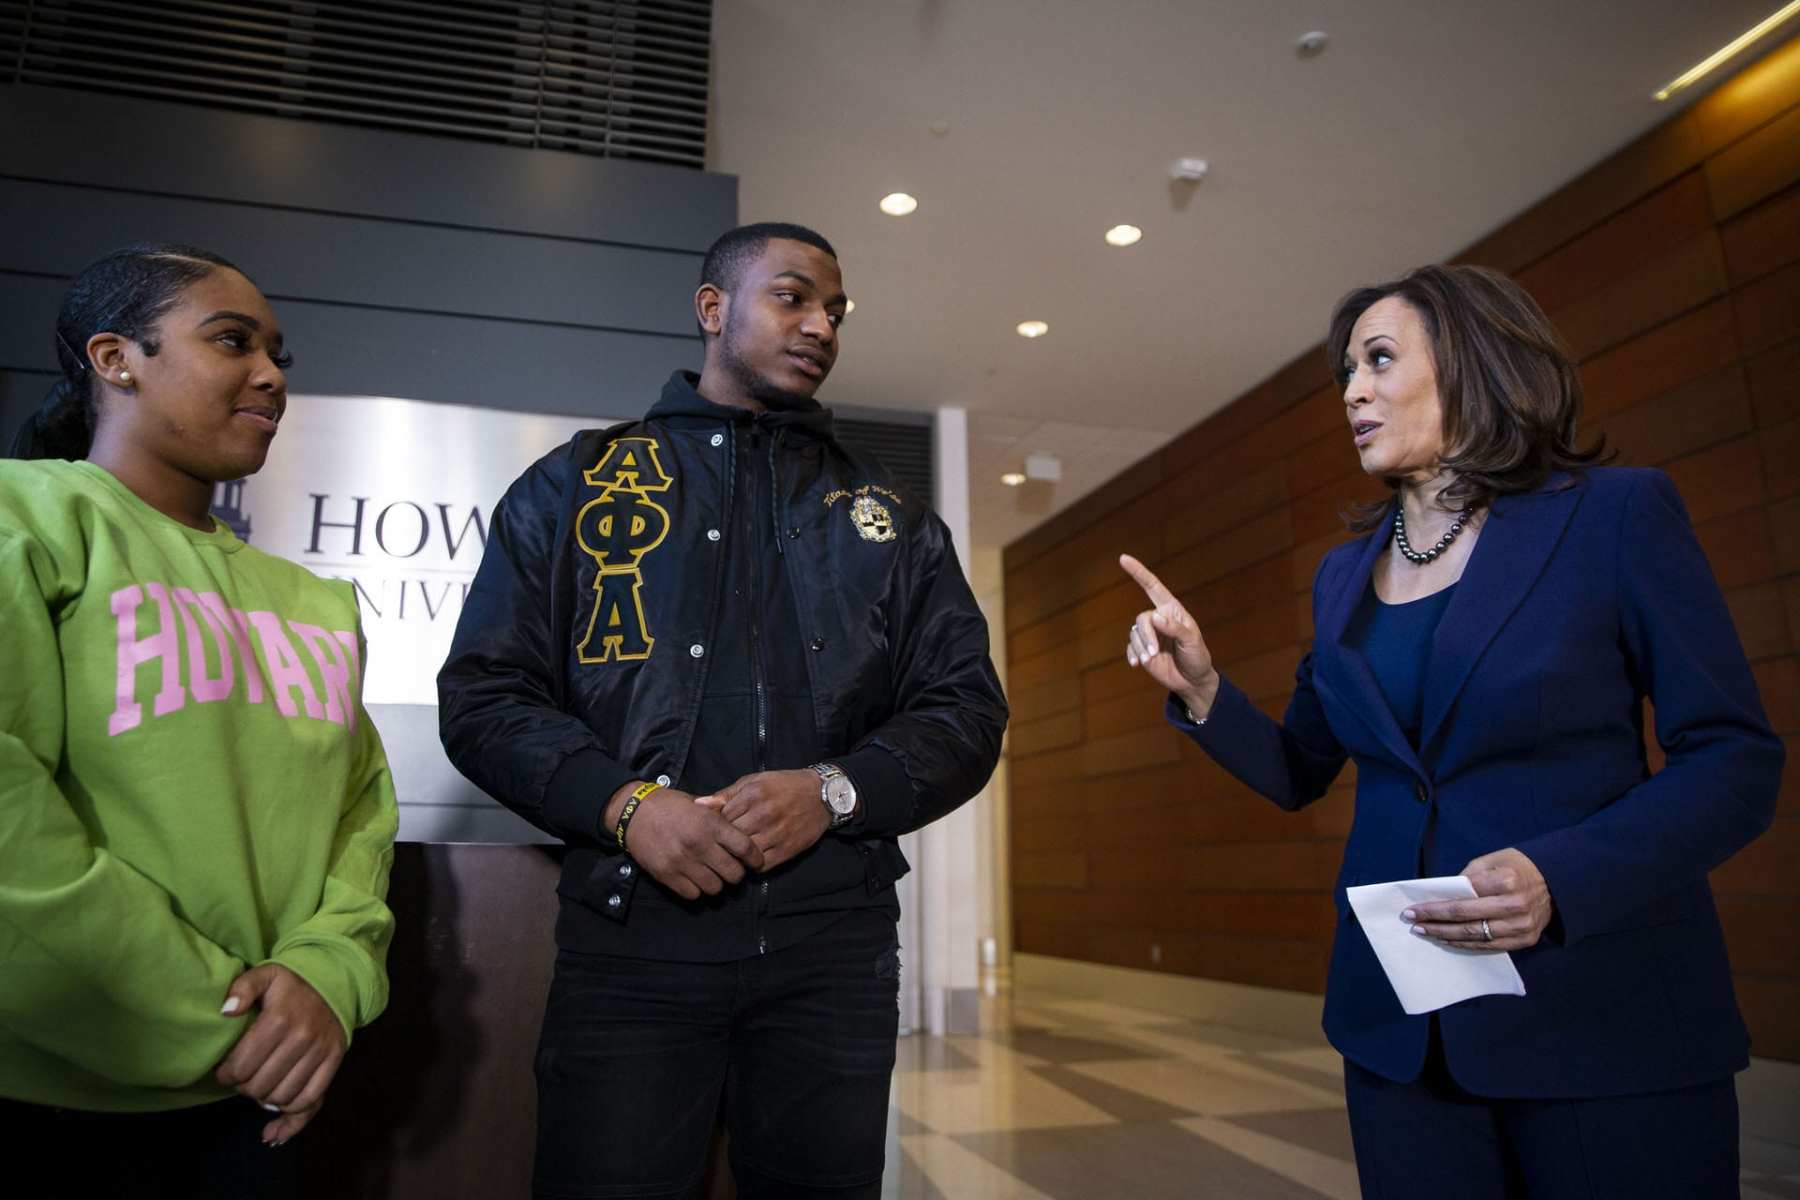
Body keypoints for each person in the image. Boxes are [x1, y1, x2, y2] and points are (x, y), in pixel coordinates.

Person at [1120, 263, 1778, 1198]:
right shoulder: (1341, 577)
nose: (1351, 391)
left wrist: (1562, 876)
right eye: (1345, 372)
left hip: (1600, 1017)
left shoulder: (1615, 516)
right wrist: (1204, 689)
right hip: (1401, 1039)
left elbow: (1736, 763)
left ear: (1471, 365)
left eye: (1379, 360)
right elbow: (1302, 767)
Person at [438, 221, 1006, 1198]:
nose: (821, 324)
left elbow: (965, 711)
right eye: (793, 297)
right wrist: (623, 805)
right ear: (713, 309)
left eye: (835, 309)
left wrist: (833, 791)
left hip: (834, 949)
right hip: (631, 941)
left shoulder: (891, 520)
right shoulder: (576, 486)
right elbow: (485, 695)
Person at [0, 244, 399, 1199]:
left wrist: (326, 980)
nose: (270, 374)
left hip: (250, 1108)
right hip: (50, 1098)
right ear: (115, 359)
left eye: (277, 356)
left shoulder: (315, 600)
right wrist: (223, 1015)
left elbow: (359, 819)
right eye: (232, 341)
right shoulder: (28, 517)